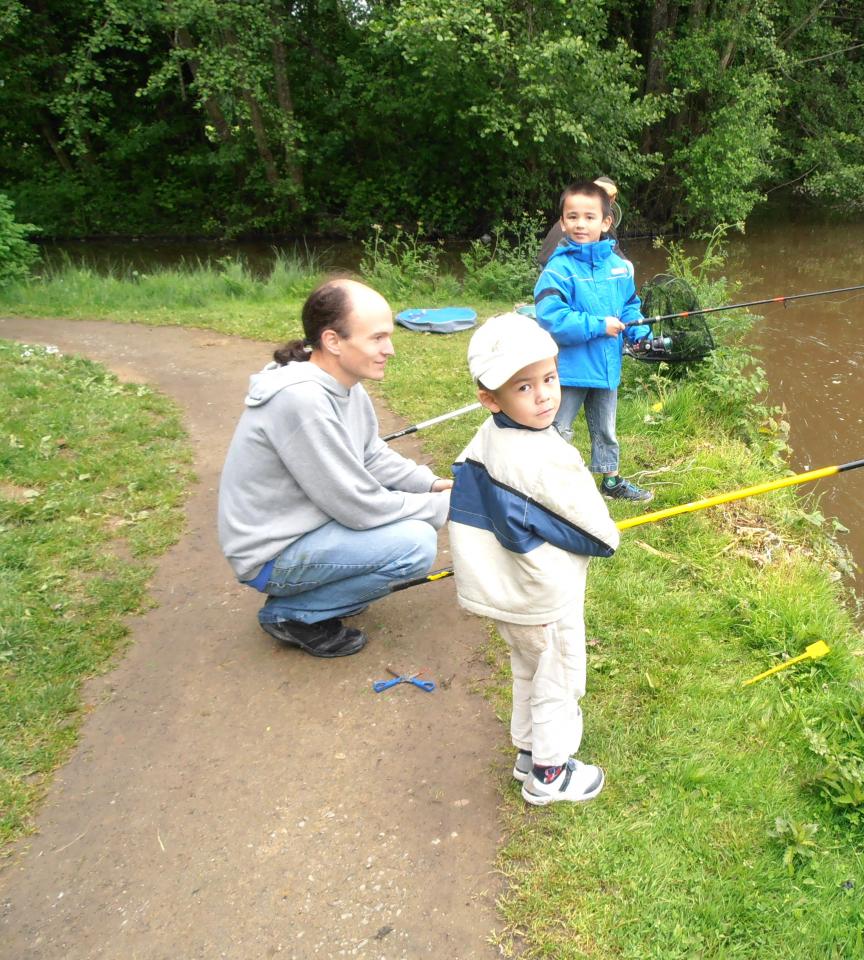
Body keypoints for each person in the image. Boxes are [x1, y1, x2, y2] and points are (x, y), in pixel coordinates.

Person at [217, 278, 453, 658]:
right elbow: (359, 507)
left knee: (411, 524)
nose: (389, 349)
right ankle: (291, 613)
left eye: (388, 337)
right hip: (270, 553)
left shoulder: (344, 385)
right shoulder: (302, 401)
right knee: (415, 544)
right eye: (377, 338)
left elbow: (372, 455)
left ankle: (320, 592)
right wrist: (448, 508)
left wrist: (434, 485)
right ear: (332, 341)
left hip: (305, 528)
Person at [448, 313, 619, 805]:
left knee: (529, 670)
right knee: (557, 681)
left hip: (507, 598)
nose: (545, 395)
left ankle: (528, 750)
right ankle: (550, 773)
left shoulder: (485, 439)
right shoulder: (542, 458)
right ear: (490, 397)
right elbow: (597, 535)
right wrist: (607, 533)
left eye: (550, 378)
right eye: (524, 387)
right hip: (542, 600)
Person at [533, 179, 653, 503]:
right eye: (572, 217)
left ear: (606, 222)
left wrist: (639, 332)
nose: (580, 224)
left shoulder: (618, 267)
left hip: (606, 366)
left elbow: (630, 306)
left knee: (606, 430)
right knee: (558, 429)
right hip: (568, 369)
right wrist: (599, 325)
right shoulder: (558, 270)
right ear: (562, 222)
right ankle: (549, 487)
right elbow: (551, 317)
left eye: (589, 217)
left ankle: (611, 482)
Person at [537, 175, 622, 268]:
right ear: (613, 198)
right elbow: (614, 247)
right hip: (555, 263)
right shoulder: (604, 213)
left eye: (589, 217)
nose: (580, 224)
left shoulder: (575, 211)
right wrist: (626, 265)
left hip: (545, 258)